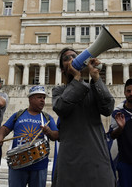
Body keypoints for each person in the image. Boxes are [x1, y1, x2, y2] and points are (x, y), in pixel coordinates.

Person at [52, 47, 115, 187]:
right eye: (66, 58)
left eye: (75, 56)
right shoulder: (59, 91)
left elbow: (108, 108)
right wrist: (76, 79)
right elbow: (61, 107)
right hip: (70, 157)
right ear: (62, 69)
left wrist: (96, 77)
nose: (72, 59)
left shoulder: (93, 89)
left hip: (96, 154)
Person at [0, 85, 58, 187]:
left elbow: (56, 136)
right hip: (17, 164)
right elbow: (5, 128)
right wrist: (0, 136)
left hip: (39, 165)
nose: (42, 100)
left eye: (44, 98)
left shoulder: (47, 117)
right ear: (30, 99)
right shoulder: (18, 115)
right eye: (39, 97)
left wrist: (49, 131)